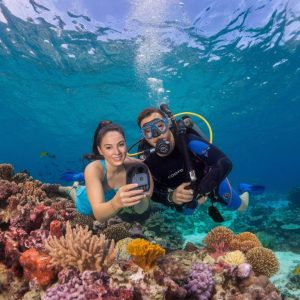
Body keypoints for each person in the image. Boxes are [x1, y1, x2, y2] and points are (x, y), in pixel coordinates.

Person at [136, 107, 248, 217]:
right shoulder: (147, 161)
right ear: (144, 137)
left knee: (242, 207)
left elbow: (224, 163)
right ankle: (197, 203)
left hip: (209, 181)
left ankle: (243, 189)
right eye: (148, 131)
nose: (156, 134)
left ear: (168, 124)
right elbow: (152, 193)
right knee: (186, 213)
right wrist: (171, 197)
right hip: (186, 197)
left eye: (160, 126)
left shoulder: (187, 140)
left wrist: (201, 191)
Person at [59, 120, 153, 222]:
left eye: (121, 144)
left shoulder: (139, 167)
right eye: (108, 147)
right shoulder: (93, 169)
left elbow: (141, 208)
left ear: (126, 143)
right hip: (84, 202)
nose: (117, 152)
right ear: (100, 150)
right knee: (74, 192)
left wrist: (143, 197)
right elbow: (99, 216)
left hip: (110, 210)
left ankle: (83, 180)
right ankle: (71, 188)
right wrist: (116, 203)